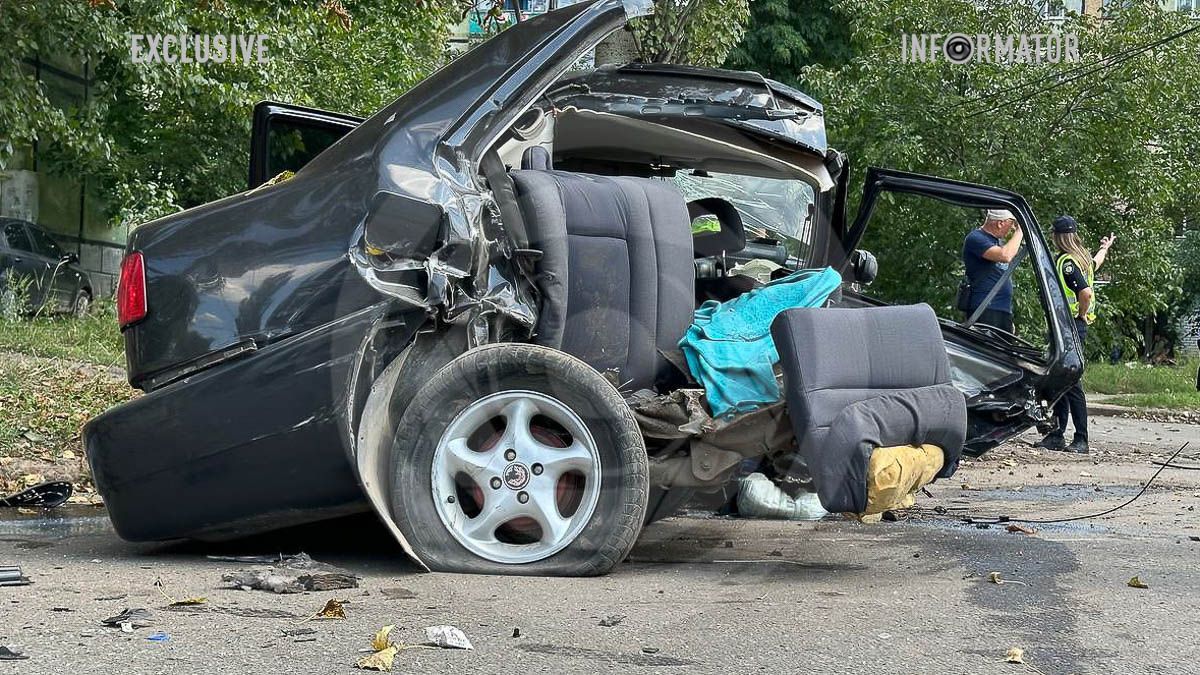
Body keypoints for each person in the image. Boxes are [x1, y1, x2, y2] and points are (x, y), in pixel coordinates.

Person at [1035, 215, 1115, 454]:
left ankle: (1081, 439)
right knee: (1060, 379)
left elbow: (1086, 293)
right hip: (1071, 327)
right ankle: (1057, 434)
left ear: (1058, 237)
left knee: (1071, 381)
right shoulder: (1081, 259)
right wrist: (1105, 248)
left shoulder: (1066, 262)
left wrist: (1080, 313)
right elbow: (1096, 262)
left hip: (1071, 325)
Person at [962, 209, 1024, 332]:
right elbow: (1005, 256)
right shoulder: (976, 238)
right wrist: (1020, 232)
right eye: (1011, 223)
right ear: (1000, 223)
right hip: (985, 310)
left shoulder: (996, 242)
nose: (1012, 228)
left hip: (1001, 310)